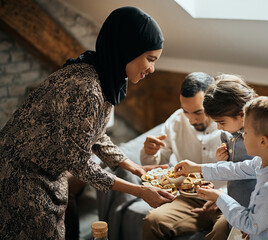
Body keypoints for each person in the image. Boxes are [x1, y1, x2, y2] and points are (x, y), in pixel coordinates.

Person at [0, 7, 175, 240]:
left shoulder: (104, 76)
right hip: (23, 172)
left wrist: (135, 168)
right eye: (150, 59)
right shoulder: (86, 88)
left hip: (50, 170)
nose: (152, 69)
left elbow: (95, 135)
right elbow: (81, 163)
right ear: (127, 49)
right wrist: (140, 190)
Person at [175, 96, 268, 240]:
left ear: (263, 142)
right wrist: (196, 168)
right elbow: (237, 169)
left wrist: (219, 197)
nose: (242, 136)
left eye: (245, 132)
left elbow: (250, 224)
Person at [141, 72, 230, 240]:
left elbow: (250, 173)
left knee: (222, 230)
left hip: (226, 200)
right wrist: (150, 153)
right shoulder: (175, 121)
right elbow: (157, 165)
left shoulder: (230, 125)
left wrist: (223, 196)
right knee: (152, 221)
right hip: (190, 199)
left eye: (198, 112)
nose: (191, 120)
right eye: (186, 112)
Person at [203, 74, 257, 208]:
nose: (219, 127)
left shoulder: (257, 137)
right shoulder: (226, 135)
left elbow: (252, 169)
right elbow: (231, 167)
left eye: (221, 122)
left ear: (242, 113)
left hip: (255, 203)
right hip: (234, 199)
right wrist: (223, 160)